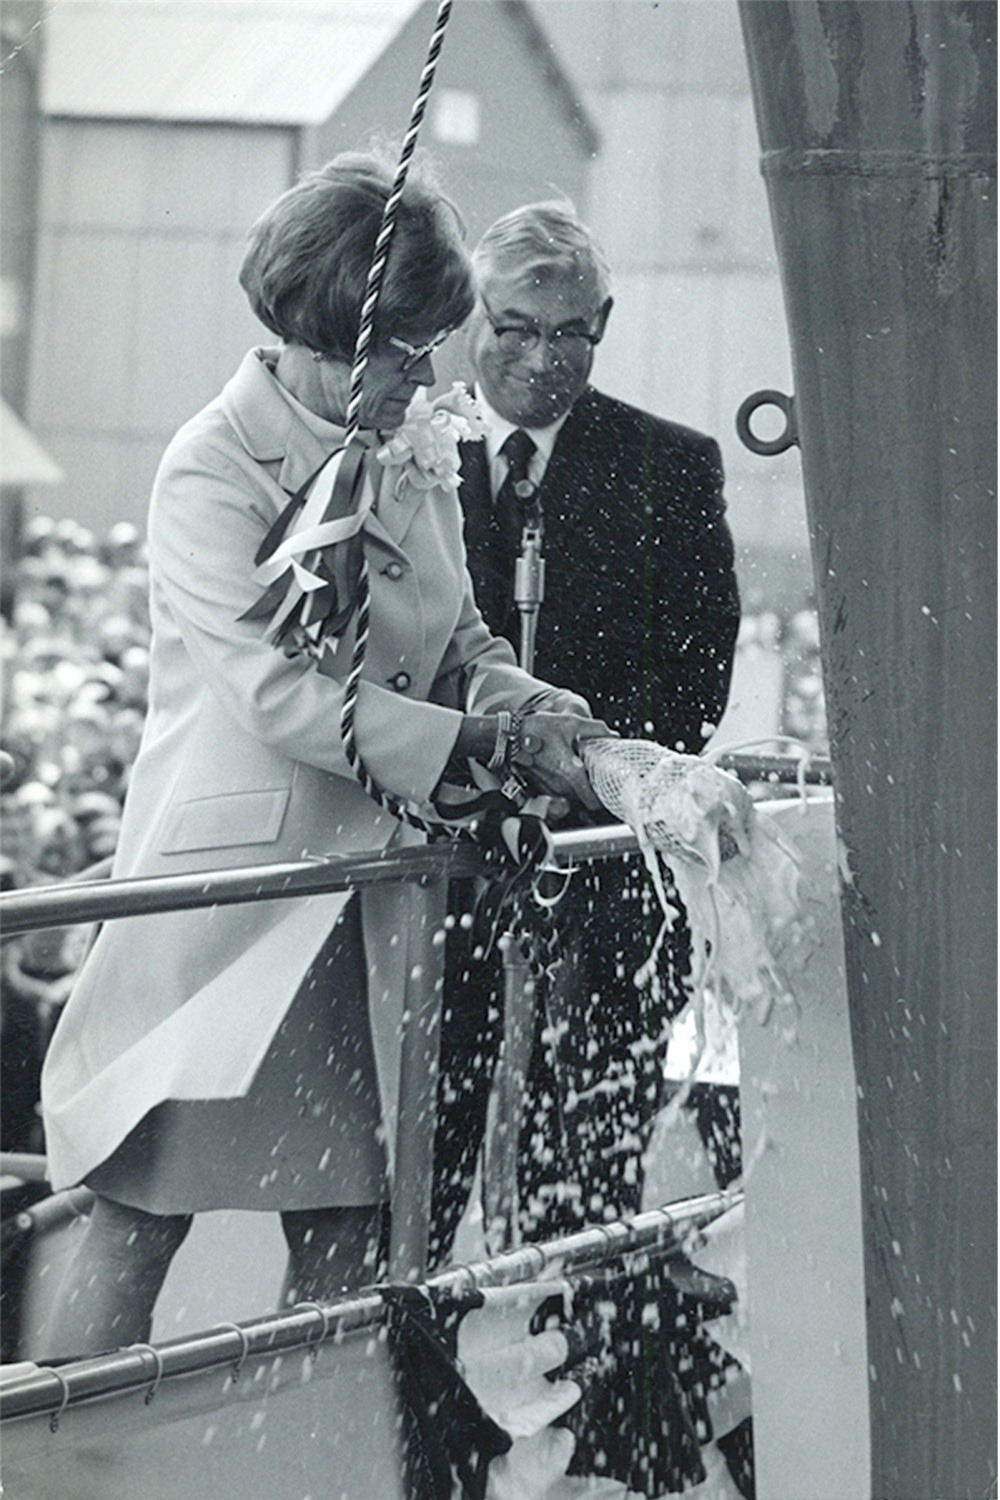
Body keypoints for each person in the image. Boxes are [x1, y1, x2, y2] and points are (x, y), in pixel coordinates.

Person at [38, 156, 611, 1359]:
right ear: (327, 332)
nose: (430, 377)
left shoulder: (410, 447)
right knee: (141, 1217)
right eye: (407, 350)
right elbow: (273, 696)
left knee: (351, 1230)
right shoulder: (212, 464)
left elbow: (457, 643)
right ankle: (71, 1451)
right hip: (230, 909)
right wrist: (478, 742)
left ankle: (316, 1449)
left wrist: (540, 711)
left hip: (363, 908)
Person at [431, 201, 741, 1260]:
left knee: (591, 1175)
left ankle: (597, 1329)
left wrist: (579, 773)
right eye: (515, 329)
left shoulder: (670, 466)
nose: (540, 359)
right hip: (441, 869)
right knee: (421, 1160)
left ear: (602, 324)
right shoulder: (404, 454)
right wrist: (488, 774)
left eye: (569, 334)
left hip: (609, 875)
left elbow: (695, 681)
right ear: (471, 319)